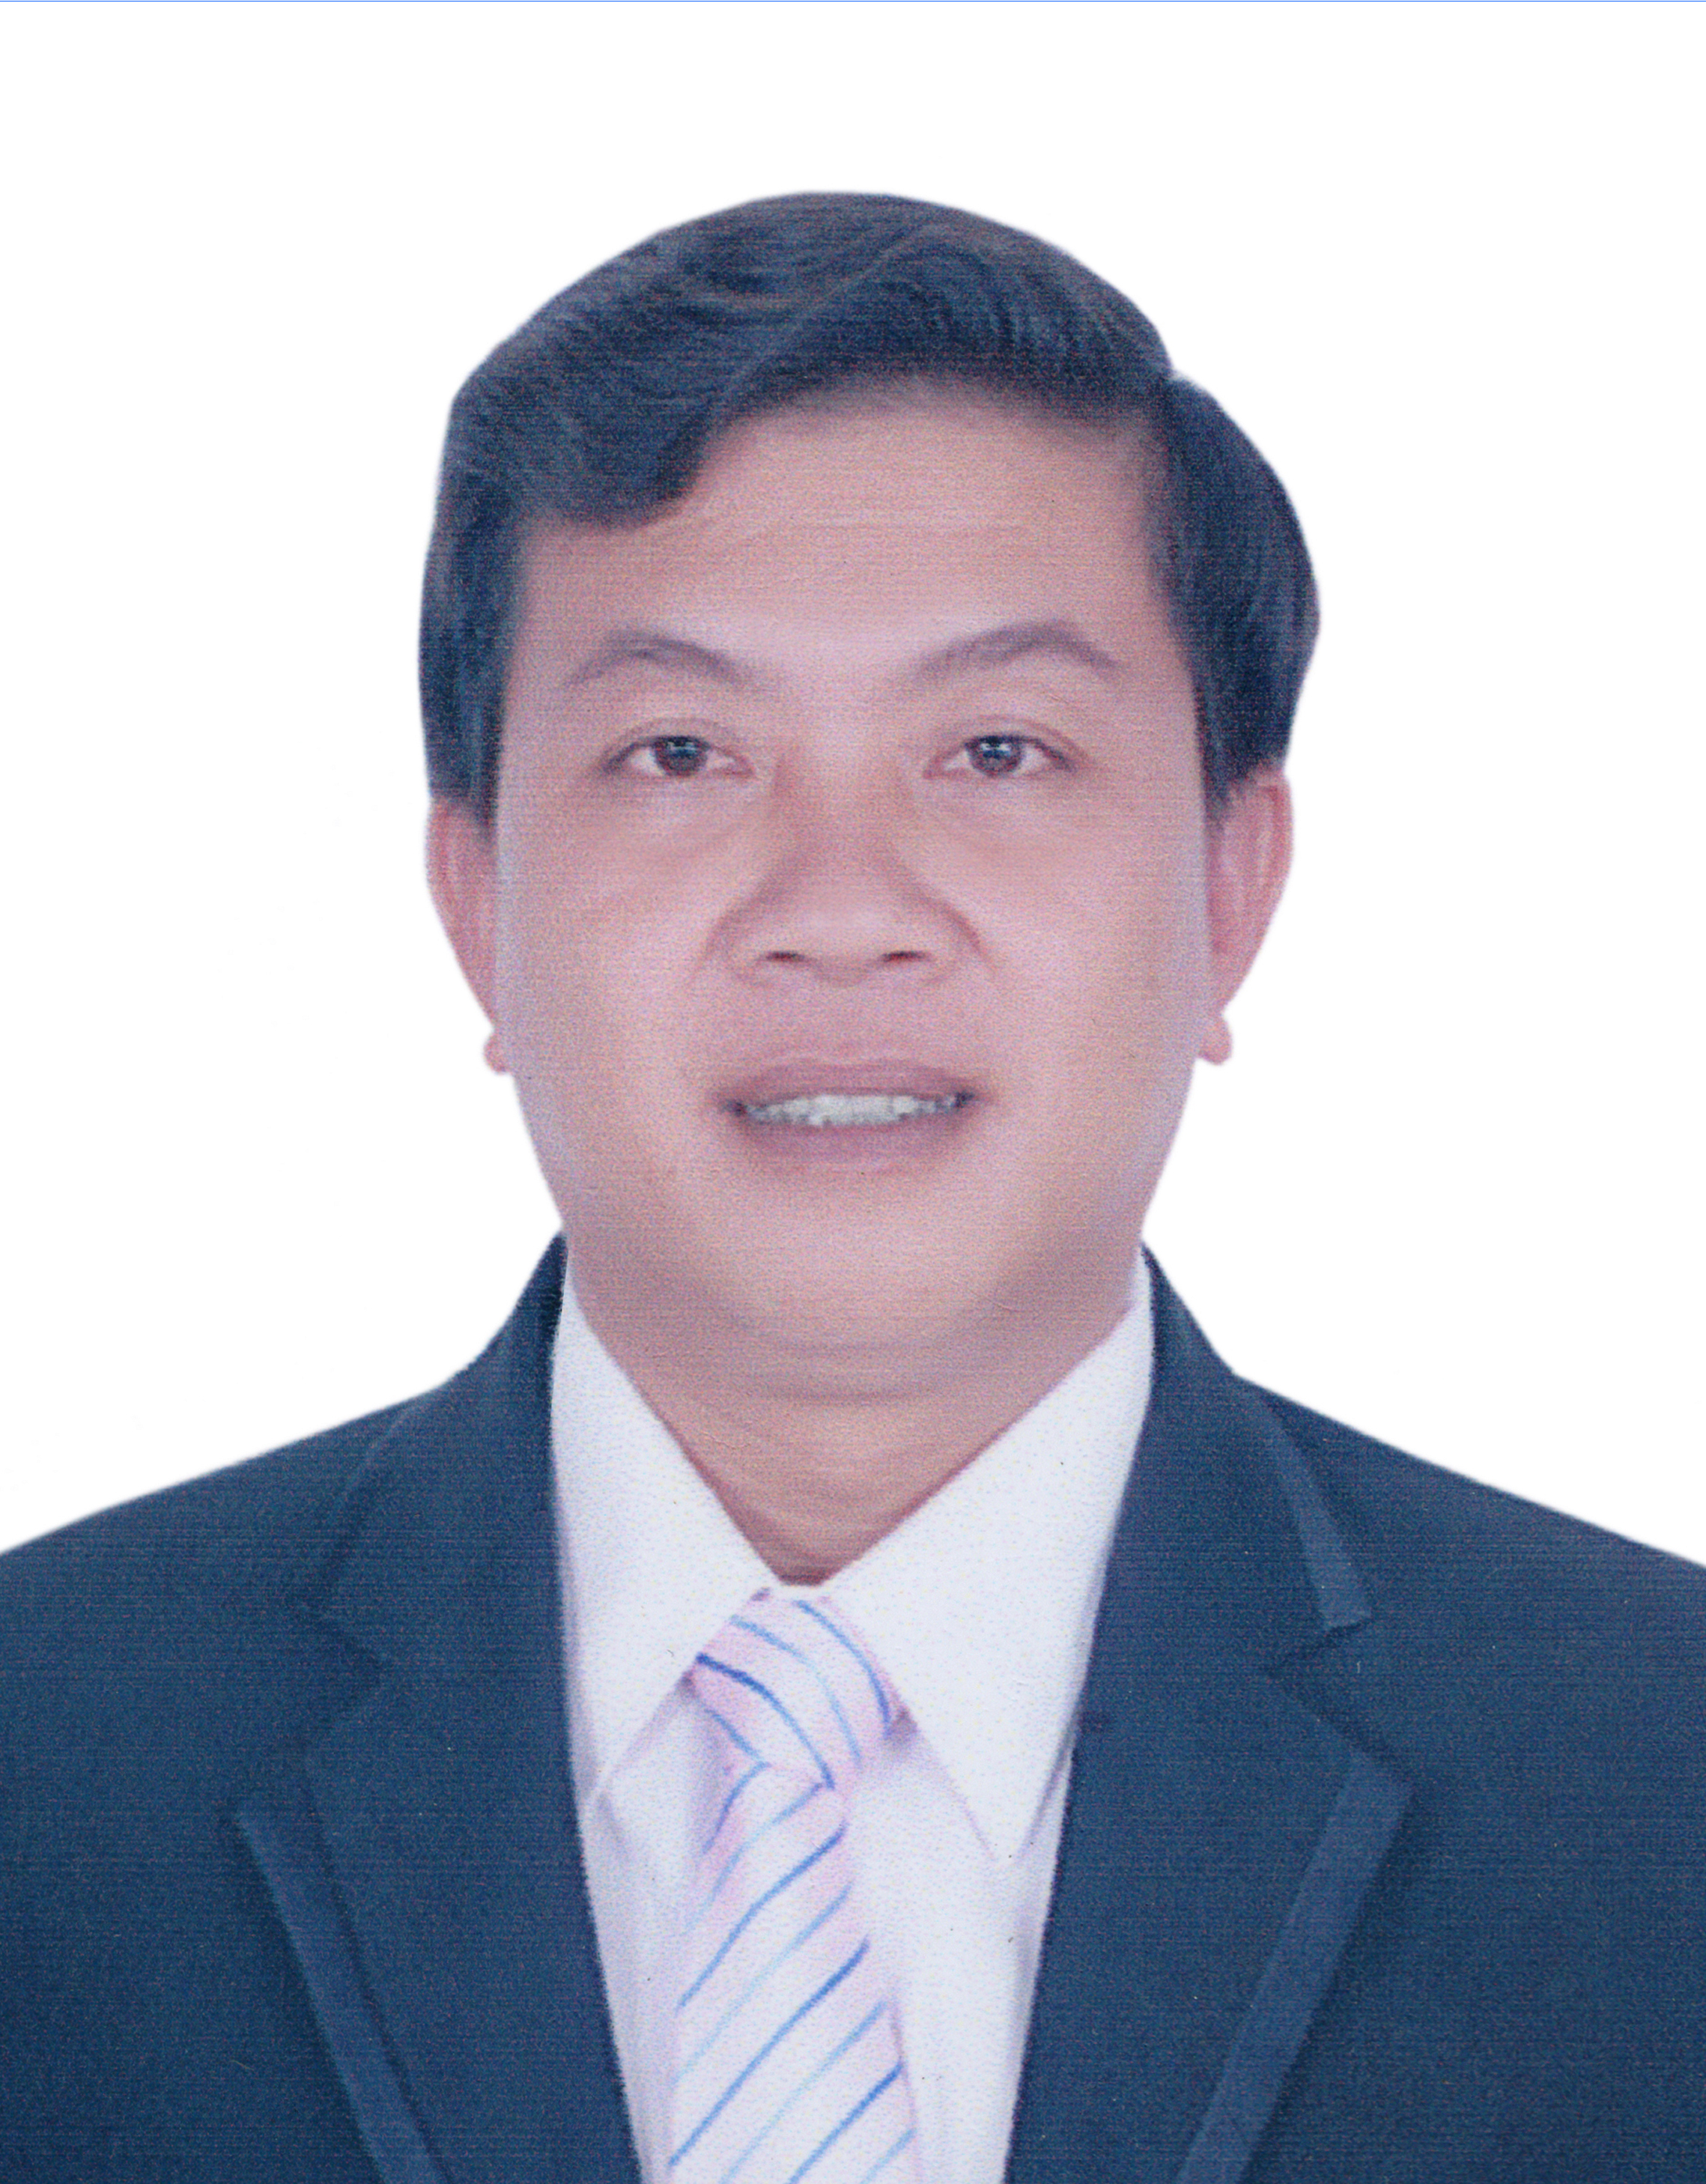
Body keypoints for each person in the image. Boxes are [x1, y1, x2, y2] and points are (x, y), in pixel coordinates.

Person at [1, 193, 1702, 2184]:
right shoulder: (50, 1753)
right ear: (477, 908)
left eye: (997, 749)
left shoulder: (1654, 1773)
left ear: (1231, 889)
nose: (840, 909)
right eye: (679, 752)